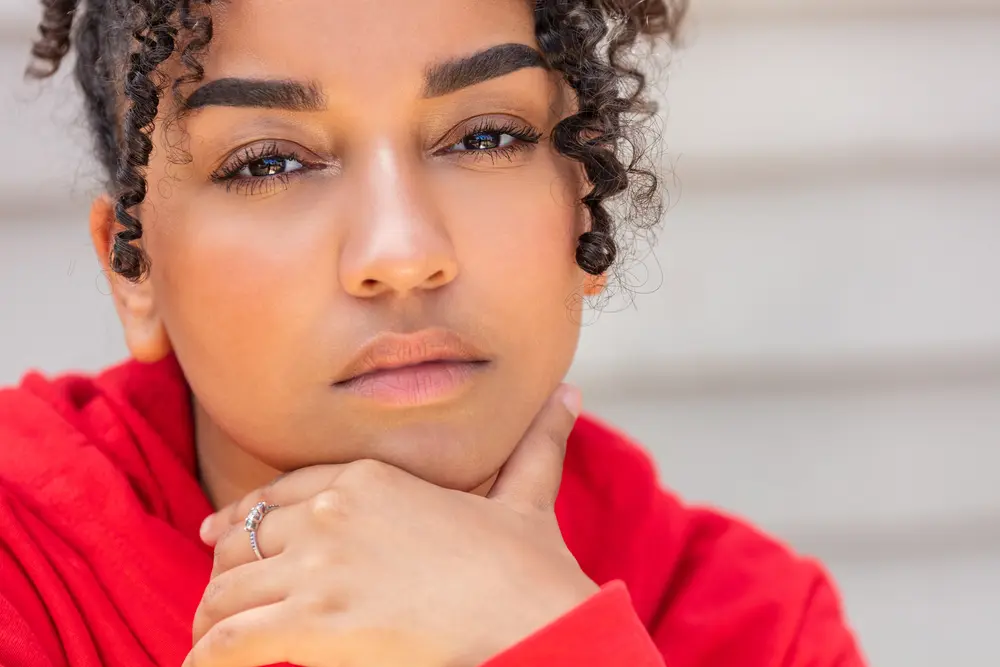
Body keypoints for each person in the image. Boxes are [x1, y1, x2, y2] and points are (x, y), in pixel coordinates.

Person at [0, 0, 866, 665]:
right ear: (132, 271)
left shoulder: (758, 627)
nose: (403, 253)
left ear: (586, 205)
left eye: (486, 136)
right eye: (269, 161)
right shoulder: (25, 562)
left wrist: (551, 635)